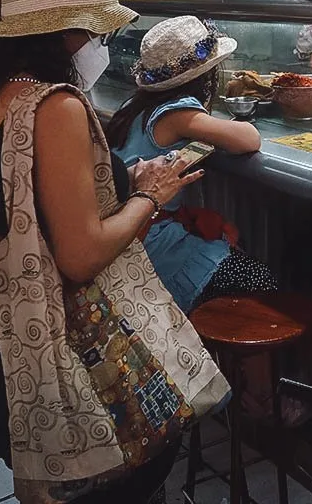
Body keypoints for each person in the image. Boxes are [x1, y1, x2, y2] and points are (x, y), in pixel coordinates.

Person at [0, 0, 197, 503]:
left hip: (18, 340)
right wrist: (151, 196)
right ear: (63, 32)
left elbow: (27, 204)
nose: (96, 42)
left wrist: (121, 181)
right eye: (91, 30)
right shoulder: (54, 106)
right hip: (79, 343)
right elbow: (81, 254)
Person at [104, 16, 275, 313]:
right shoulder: (177, 114)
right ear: (204, 75)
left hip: (127, 235)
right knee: (262, 280)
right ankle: (214, 354)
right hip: (151, 248)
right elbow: (249, 139)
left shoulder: (133, 106)